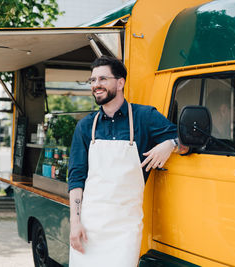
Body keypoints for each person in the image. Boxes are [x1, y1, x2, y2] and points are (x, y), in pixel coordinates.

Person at [68, 55, 187, 267]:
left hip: (125, 229)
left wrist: (170, 144)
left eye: (103, 79)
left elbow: (188, 141)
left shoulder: (145, 116)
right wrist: (75, 223)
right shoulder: (86, 126)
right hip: (89, 227)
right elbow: (76, 178)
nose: (96, 85)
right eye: (93, 80)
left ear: (120, 82)